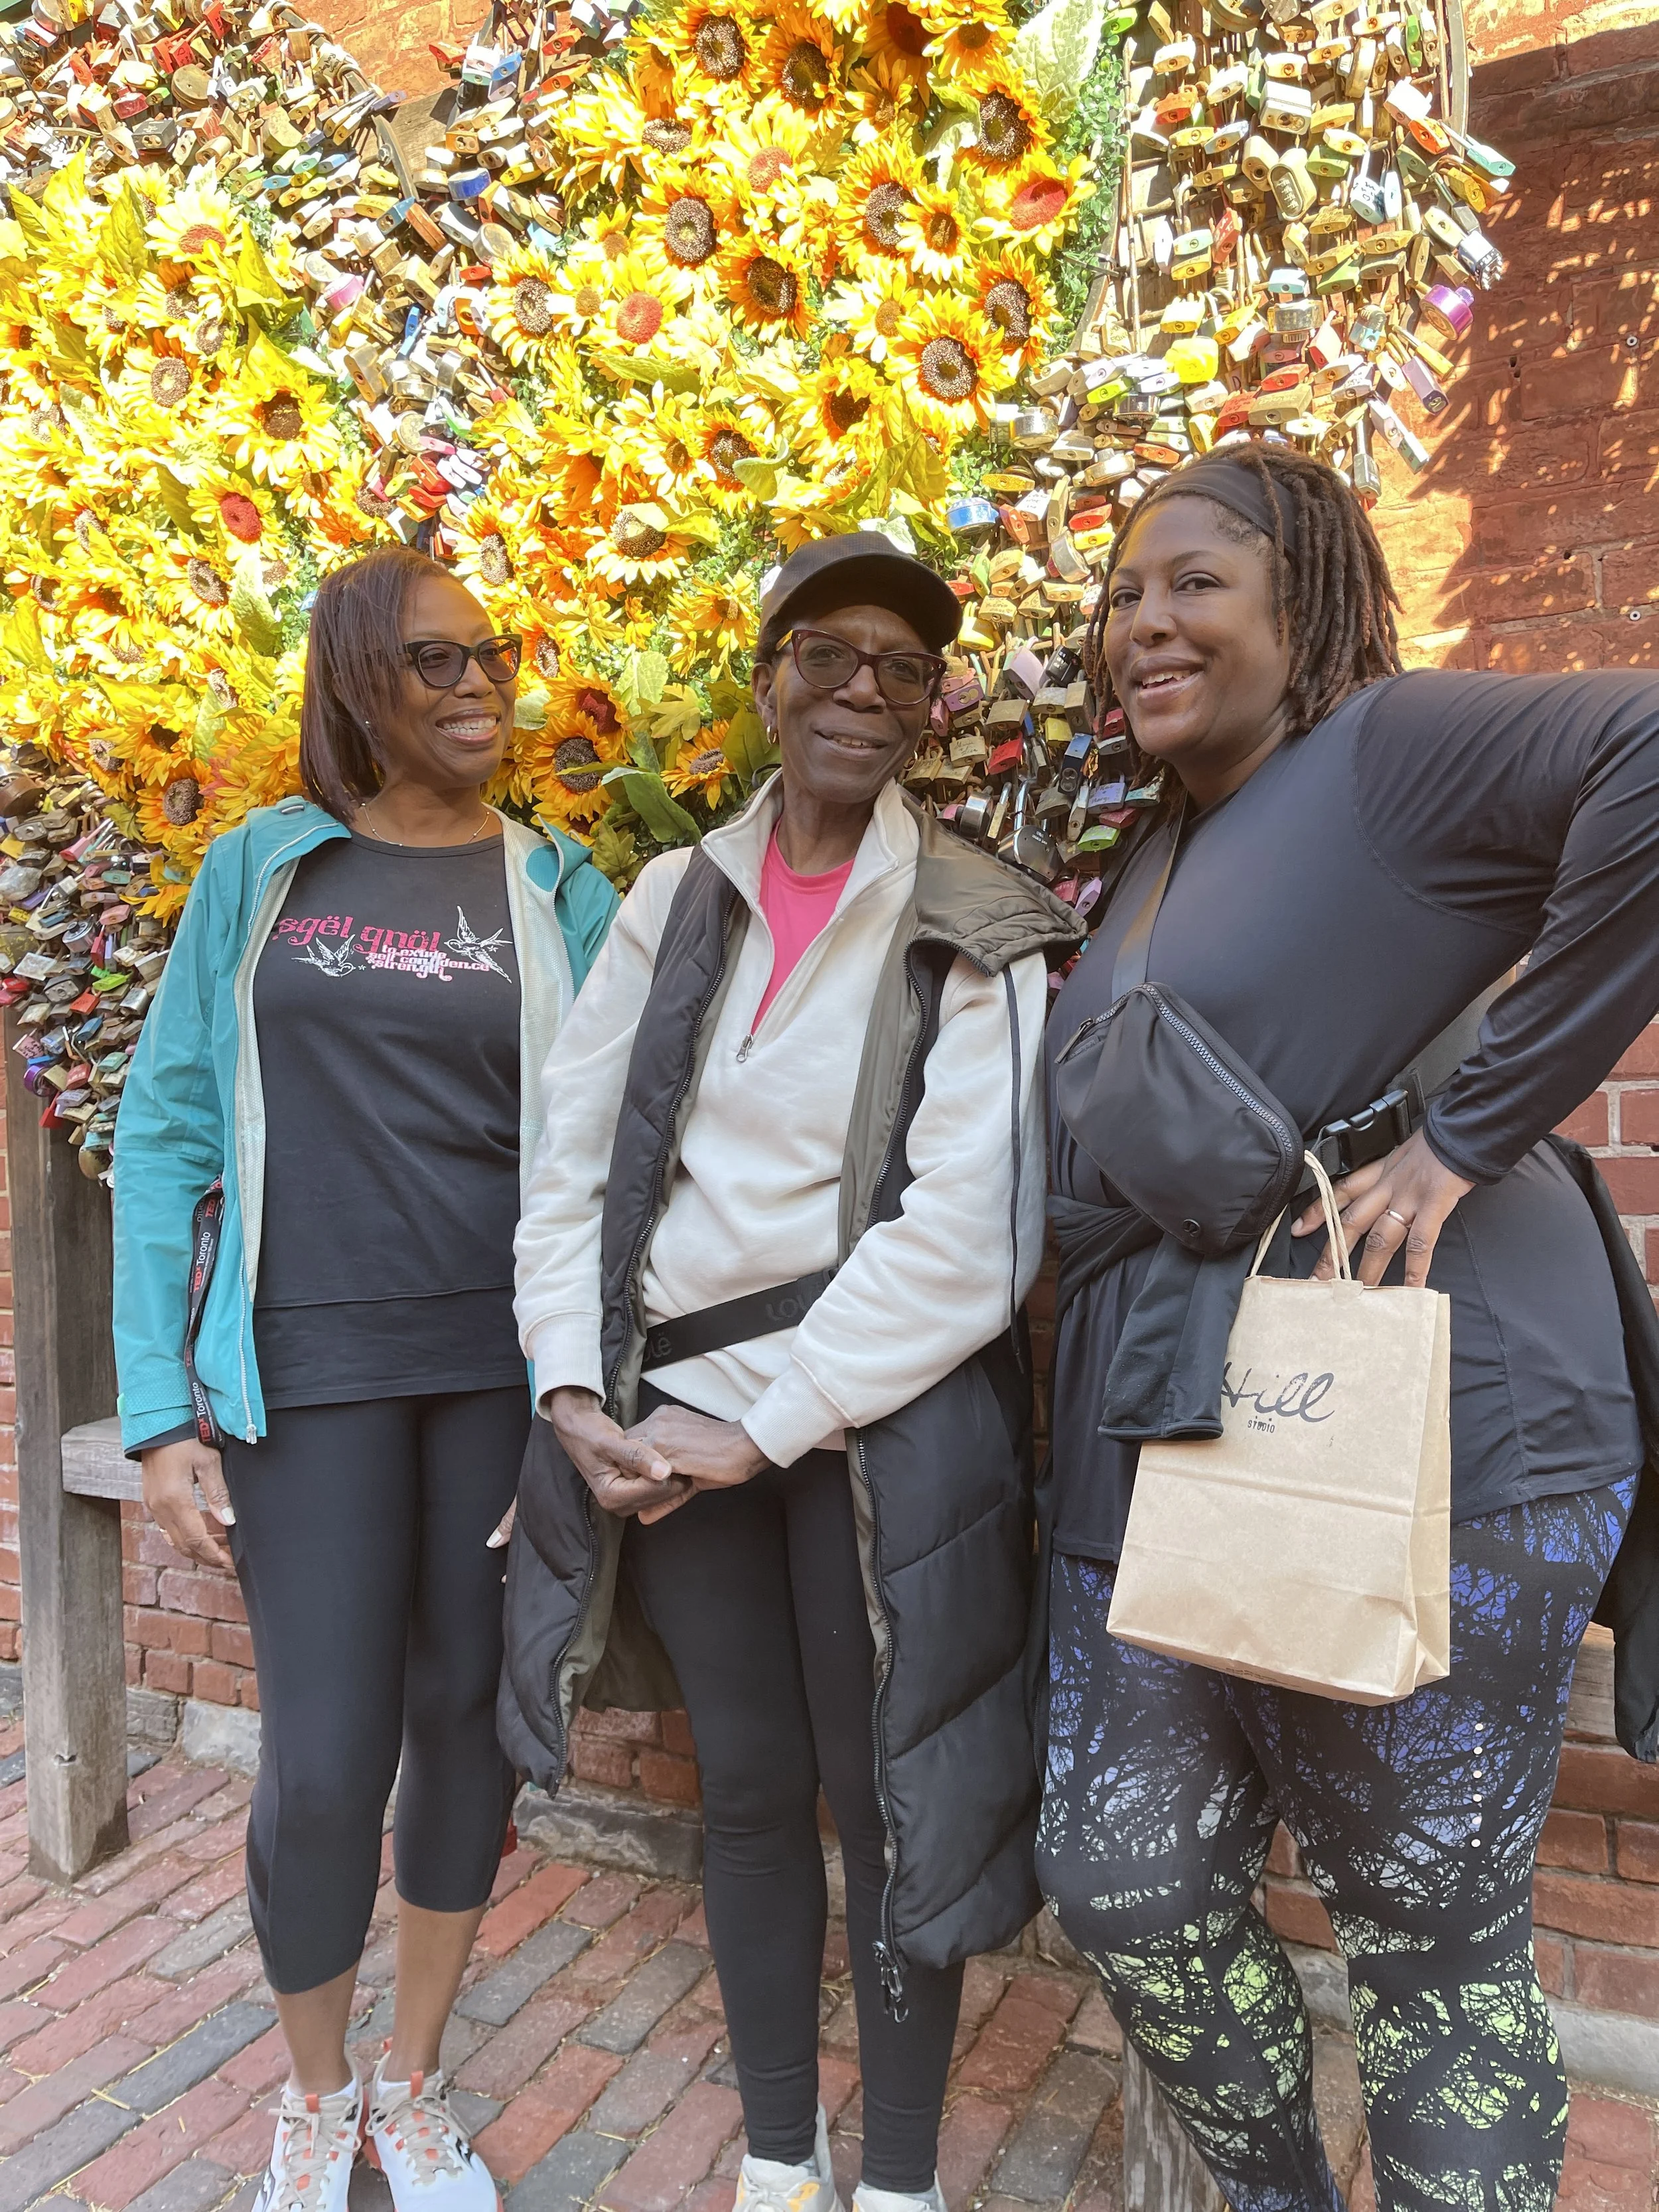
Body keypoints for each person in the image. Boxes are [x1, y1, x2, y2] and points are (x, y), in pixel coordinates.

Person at [1037, 444, 1659, 2212]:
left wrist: (1471, 1130)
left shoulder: (1380, 755)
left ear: (1303, 600)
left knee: (1426, 1943)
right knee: (1118, 1876)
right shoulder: (1165, 846)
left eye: (1193, 581)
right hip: (1175, 1432)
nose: (1140, 620)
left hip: (1437, 1425)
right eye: (1119, 594)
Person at [504, 534, 1082, 2212]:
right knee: (748, 1790)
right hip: (663, 1431)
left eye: (901, 668)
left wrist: (756, 1424)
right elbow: (573, 1162)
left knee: (885, 1798)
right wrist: (567, 1386)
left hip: (867, 1440)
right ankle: (780, 2148)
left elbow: (970, 1240)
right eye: (827, 653)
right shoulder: (677, 897)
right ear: (766, 680)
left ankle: (892, 2177)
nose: (861, 689)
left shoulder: (974, 920)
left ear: (928, 713)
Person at [112, 547, 617, 2212]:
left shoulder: (557, 885)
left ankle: (413, 2079)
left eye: (493, 653)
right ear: (355, 682)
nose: (479, 683)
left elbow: (625, 1141)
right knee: (323, 1759)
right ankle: (314, 2099)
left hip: (497, 1375)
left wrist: (594, 1377)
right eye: (434, 660)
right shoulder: (262, 873)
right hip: (308, 1374)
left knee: (464, 1728)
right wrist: (159, 1412)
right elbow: (169, 1135)